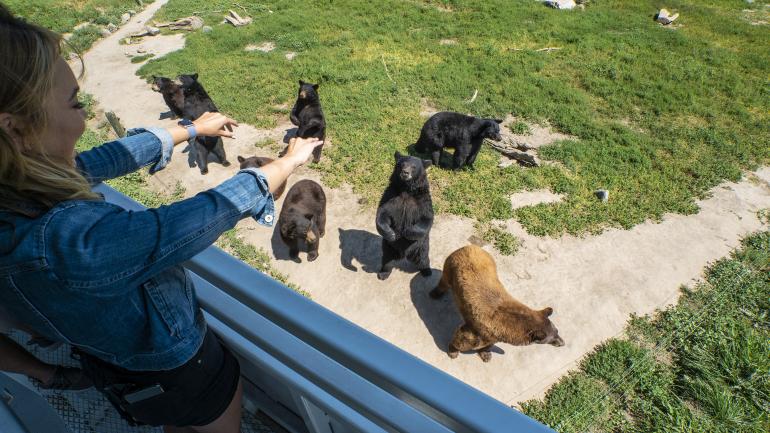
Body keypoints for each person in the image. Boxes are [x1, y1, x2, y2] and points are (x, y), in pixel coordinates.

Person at [0, 4, 322, 433]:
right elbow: (180, 226)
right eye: (75, 102)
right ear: (16, 129)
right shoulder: (68, 246)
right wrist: (280, 166)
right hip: (175, 362)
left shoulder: (16, 184)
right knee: (215, 411)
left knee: (169, 415)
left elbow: (107, 157)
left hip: (110, 356)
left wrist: (190, 129)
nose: (83, 117)